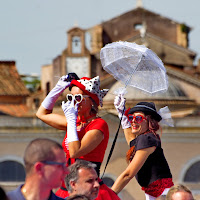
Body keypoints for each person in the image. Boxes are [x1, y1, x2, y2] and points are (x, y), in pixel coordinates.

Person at [36, 74, 121, 200]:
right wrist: (57, 89)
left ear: (92, 101)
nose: (73, 101)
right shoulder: (74, 123)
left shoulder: (98, 125)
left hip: (87, 189)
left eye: (78, 97)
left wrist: (70, 121)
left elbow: (74, 152)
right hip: (67, 188)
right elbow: (41, 114)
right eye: (70, 97)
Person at [111, 95, 174, 200]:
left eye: (138, 118)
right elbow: (132, 141)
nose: (133, 121)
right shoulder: (146, 137)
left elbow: (128, 174)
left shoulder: (147, 139)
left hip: (161, 195)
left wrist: (108, 195)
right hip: (156, 194)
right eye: (131, 118)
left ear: (149, 121)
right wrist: (122, 114)